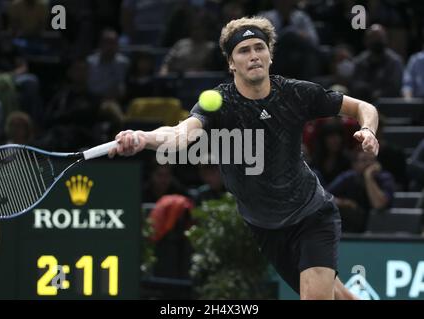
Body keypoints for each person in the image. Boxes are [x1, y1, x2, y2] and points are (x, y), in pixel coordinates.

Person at [109, 17, 379, 300]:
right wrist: (142, 137)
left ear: (270, 55)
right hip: (267, 229)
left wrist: (367, 130)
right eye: (244, 50)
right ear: (231, 62)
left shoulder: (296, 93)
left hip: (311, 215)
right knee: (337, 295)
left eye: (259, 47)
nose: (253, 56)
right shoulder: (218, 103)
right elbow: (180, 135)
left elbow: (363, 107)